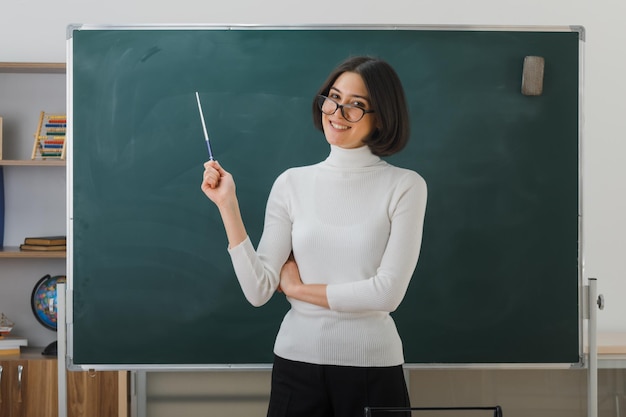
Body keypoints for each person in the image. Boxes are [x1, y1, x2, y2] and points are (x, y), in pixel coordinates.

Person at [201, 55, 427, 417]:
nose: (337, 112)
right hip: (297, 366)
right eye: (332, 98)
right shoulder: (292, 183)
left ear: (381, 117)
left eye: (356, 106)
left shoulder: (405, 186)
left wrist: (297, 289)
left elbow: (387, 293)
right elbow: (259, 289)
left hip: (373, 368)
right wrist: (227, 205)